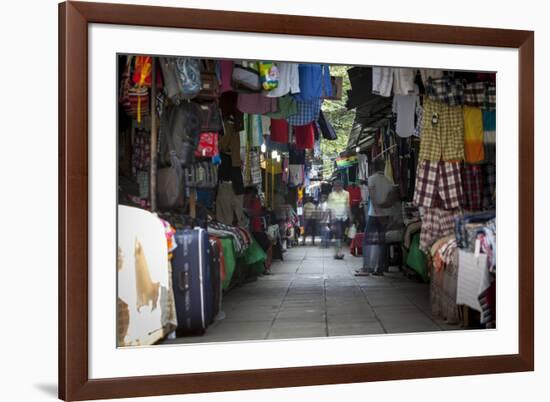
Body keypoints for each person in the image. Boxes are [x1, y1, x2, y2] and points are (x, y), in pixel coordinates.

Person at [355, 159, 399, 276]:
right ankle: (379, 268)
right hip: (386, 214)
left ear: (373, 168)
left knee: (367, 241)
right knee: (382, 241)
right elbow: (392, 199)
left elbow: (373, 198)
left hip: (374, 214)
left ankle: (367, 267)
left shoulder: (371, 179)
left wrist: (378, 212)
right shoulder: (389, 180)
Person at [243, 186, 273, 274]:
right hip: (254, 230)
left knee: (266, 246)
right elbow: (254, 213)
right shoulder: (252, 201)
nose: (253, 196)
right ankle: (265, 268)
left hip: (255, 229)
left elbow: (255, 213)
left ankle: (265, 267)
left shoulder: (253, 201)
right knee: (266, 246)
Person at [327, 179, 350, 259]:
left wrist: (350, 217)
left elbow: (348, 206)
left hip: (344, 218)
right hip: (335, 218)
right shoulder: (331, 195)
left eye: (338, 186)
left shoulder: (347, 194)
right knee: (338, 235)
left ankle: (336, 253)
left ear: (341, 186)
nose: (336, 187)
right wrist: (330, 221)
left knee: (340, 236)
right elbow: (329, 208)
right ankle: (339, 253)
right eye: (335, 186)